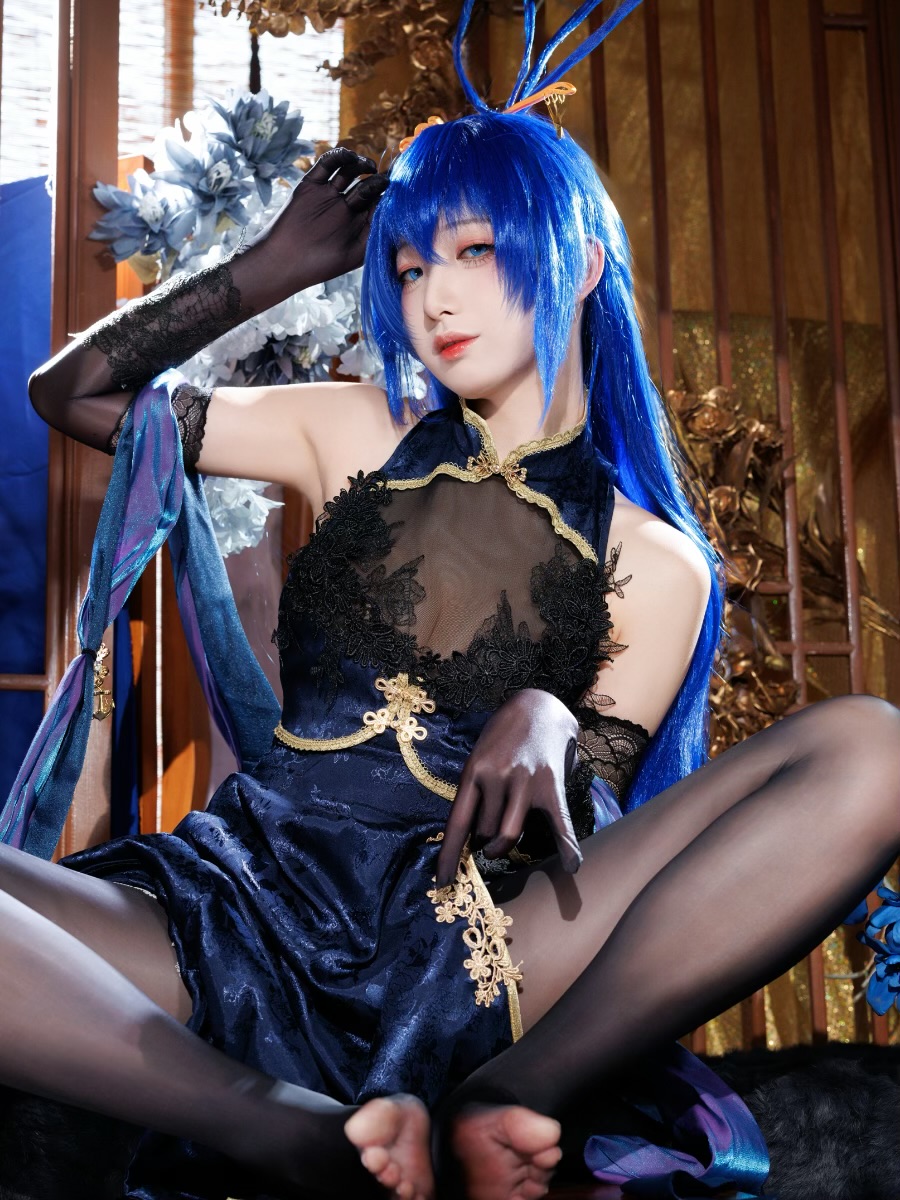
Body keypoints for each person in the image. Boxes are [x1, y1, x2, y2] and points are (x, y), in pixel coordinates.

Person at [9, 24, 900, 1200]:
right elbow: (75, 394)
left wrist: (551, 714)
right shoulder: (352, 428)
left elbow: (578, 828)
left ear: (581, 261)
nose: (435, 296)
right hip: (244, 904)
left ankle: (510, 1096)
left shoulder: (657, 559)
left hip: (480, 938)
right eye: (410, 267)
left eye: (475, 251)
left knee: (876, 742)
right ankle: (288, 1130)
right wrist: (272, 267)